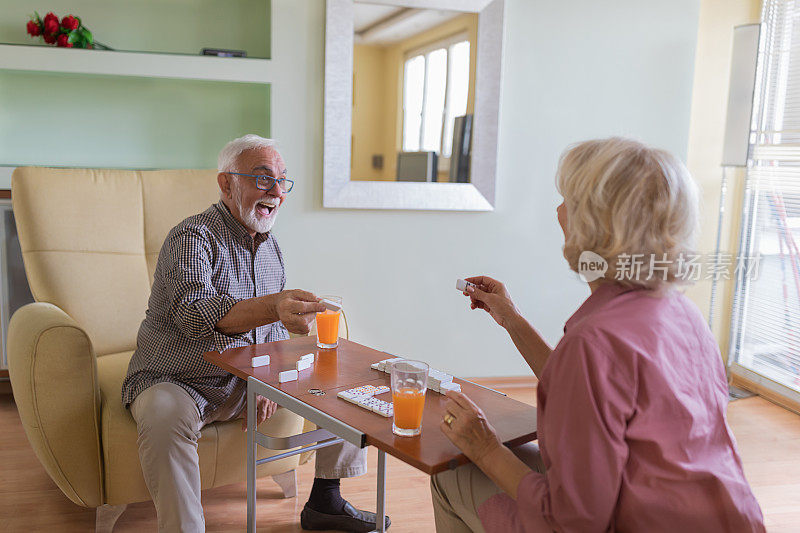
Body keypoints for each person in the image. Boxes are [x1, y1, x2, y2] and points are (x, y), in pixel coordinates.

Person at [430, 137, 765, 532]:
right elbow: (590, 390)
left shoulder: (593, 342)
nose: (557, 211)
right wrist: (512, 318)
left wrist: (484, 448)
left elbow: (576, 521)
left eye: (568, 199)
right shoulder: (681, 313)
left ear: (595, 225)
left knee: (450, 474)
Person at [121, 134, 390, 532]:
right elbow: (196, 316)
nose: (277, 192)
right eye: (263, 179)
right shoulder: (191, 239)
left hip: (241, 380)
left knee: (339, 373)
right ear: (226, 184)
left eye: (282, 180)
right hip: (177, 379)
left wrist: (264, 381)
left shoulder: (270, 247)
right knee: (163, 414)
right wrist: (273, 306)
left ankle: (326, 500)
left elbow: (270, 333)